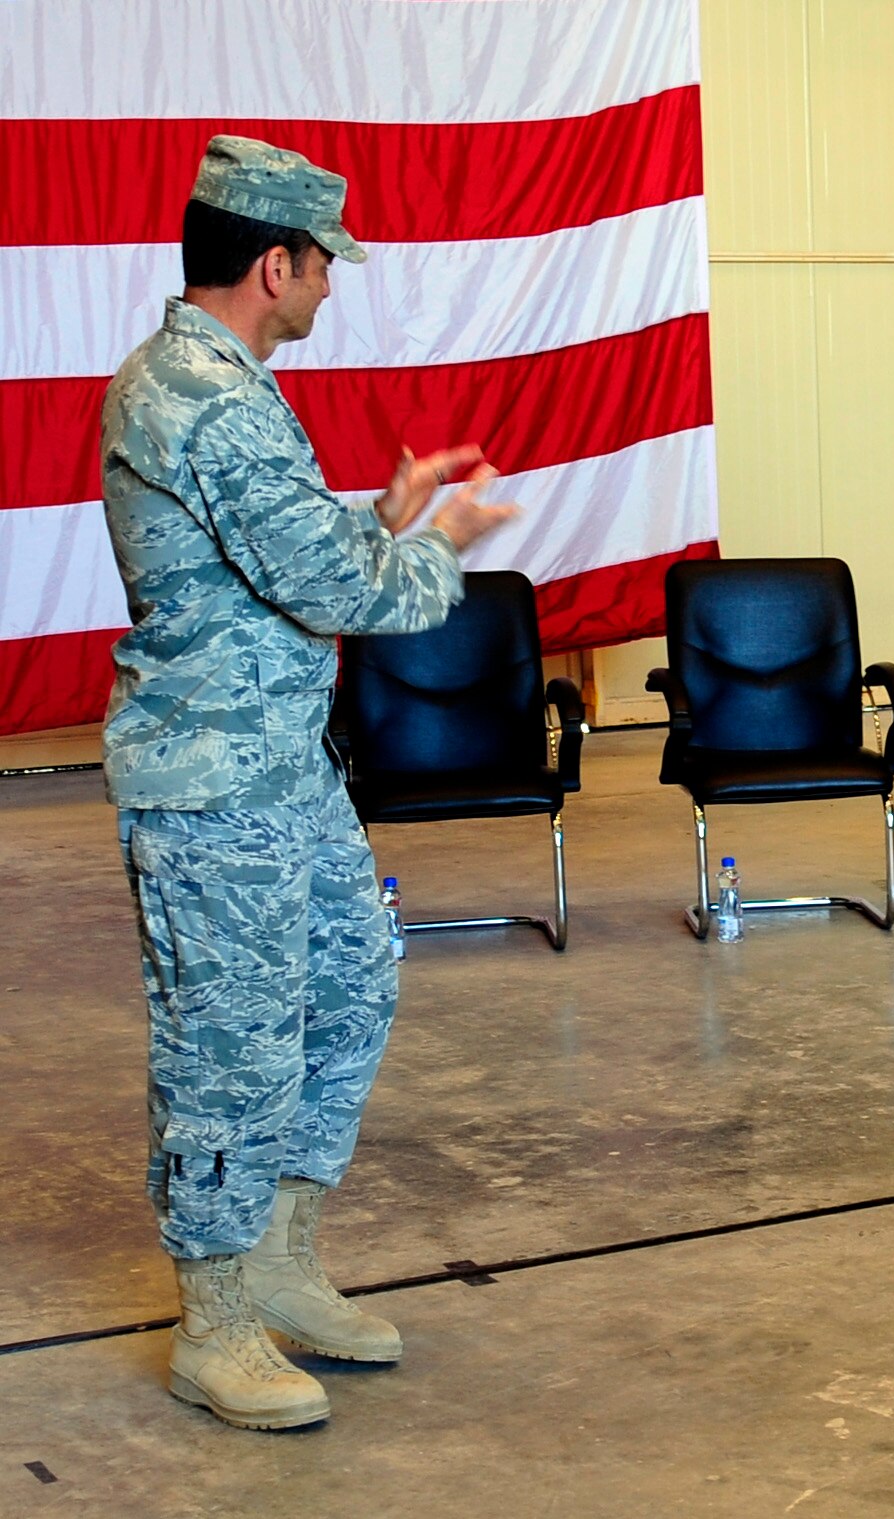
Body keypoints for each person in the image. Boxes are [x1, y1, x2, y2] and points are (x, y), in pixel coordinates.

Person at [101, 135, 518, 1429]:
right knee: (226, 1037)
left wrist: (381, 516)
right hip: (211, 782)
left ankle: (279, 1256)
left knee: (346, 977)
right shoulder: (202, 394)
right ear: (272, 263)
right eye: (325, 262)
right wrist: (438, 547)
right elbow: (332, 591)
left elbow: (281, 546)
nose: (333, 284)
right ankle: (215, 1318)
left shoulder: (226, 383)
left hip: (282, 767)